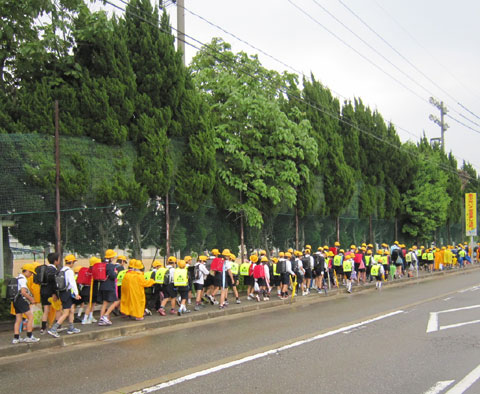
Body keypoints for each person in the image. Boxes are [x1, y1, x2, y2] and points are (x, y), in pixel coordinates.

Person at [48, 255, 82, 338]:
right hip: (67, 293)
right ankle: (54, 329)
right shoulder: (69, 271)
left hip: (62, 292)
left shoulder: (62, 269)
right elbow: (72, 283)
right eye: (73, 262)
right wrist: (76, 293)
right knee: (66, 312)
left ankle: (71, 328)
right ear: (71, 262)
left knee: (71, 310)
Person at [12, 264, 40, 344]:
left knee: (18, 319)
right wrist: (31, 299)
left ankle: (16, 338)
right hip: (21, 300)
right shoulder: (23, 279)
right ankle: (29, 336)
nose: (31, 274)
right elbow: (23, 292)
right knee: (31, 317)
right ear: (26, 271)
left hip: (15, 300)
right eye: (30, 272)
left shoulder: (17, 278)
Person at [39, 252, 61, 334]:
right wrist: (55, 293)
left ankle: (43, 328)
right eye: (58, 259)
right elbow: (54, 283)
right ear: (55, 261)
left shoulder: (44, 269)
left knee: (46, 310)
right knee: (58, 309)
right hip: (51, 293)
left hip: (43, 291)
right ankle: (57, 326)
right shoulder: (53, 270)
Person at [97, 249, 119, 326]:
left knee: (105, 303)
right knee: (115, 302)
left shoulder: (102, 264)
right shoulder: (110, 266)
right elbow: (113, 276)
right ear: (111, 258)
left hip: (102, 286)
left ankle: (101, 319)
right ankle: (105, 316)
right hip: (109, 286)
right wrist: (115, 273)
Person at [81, 257, 100, 325]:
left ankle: (91, 317)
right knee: (90, 304)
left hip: (87, 288)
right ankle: (85, 319)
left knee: (93, 304)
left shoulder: (88, 270)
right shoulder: (94, 270)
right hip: (91, 289)